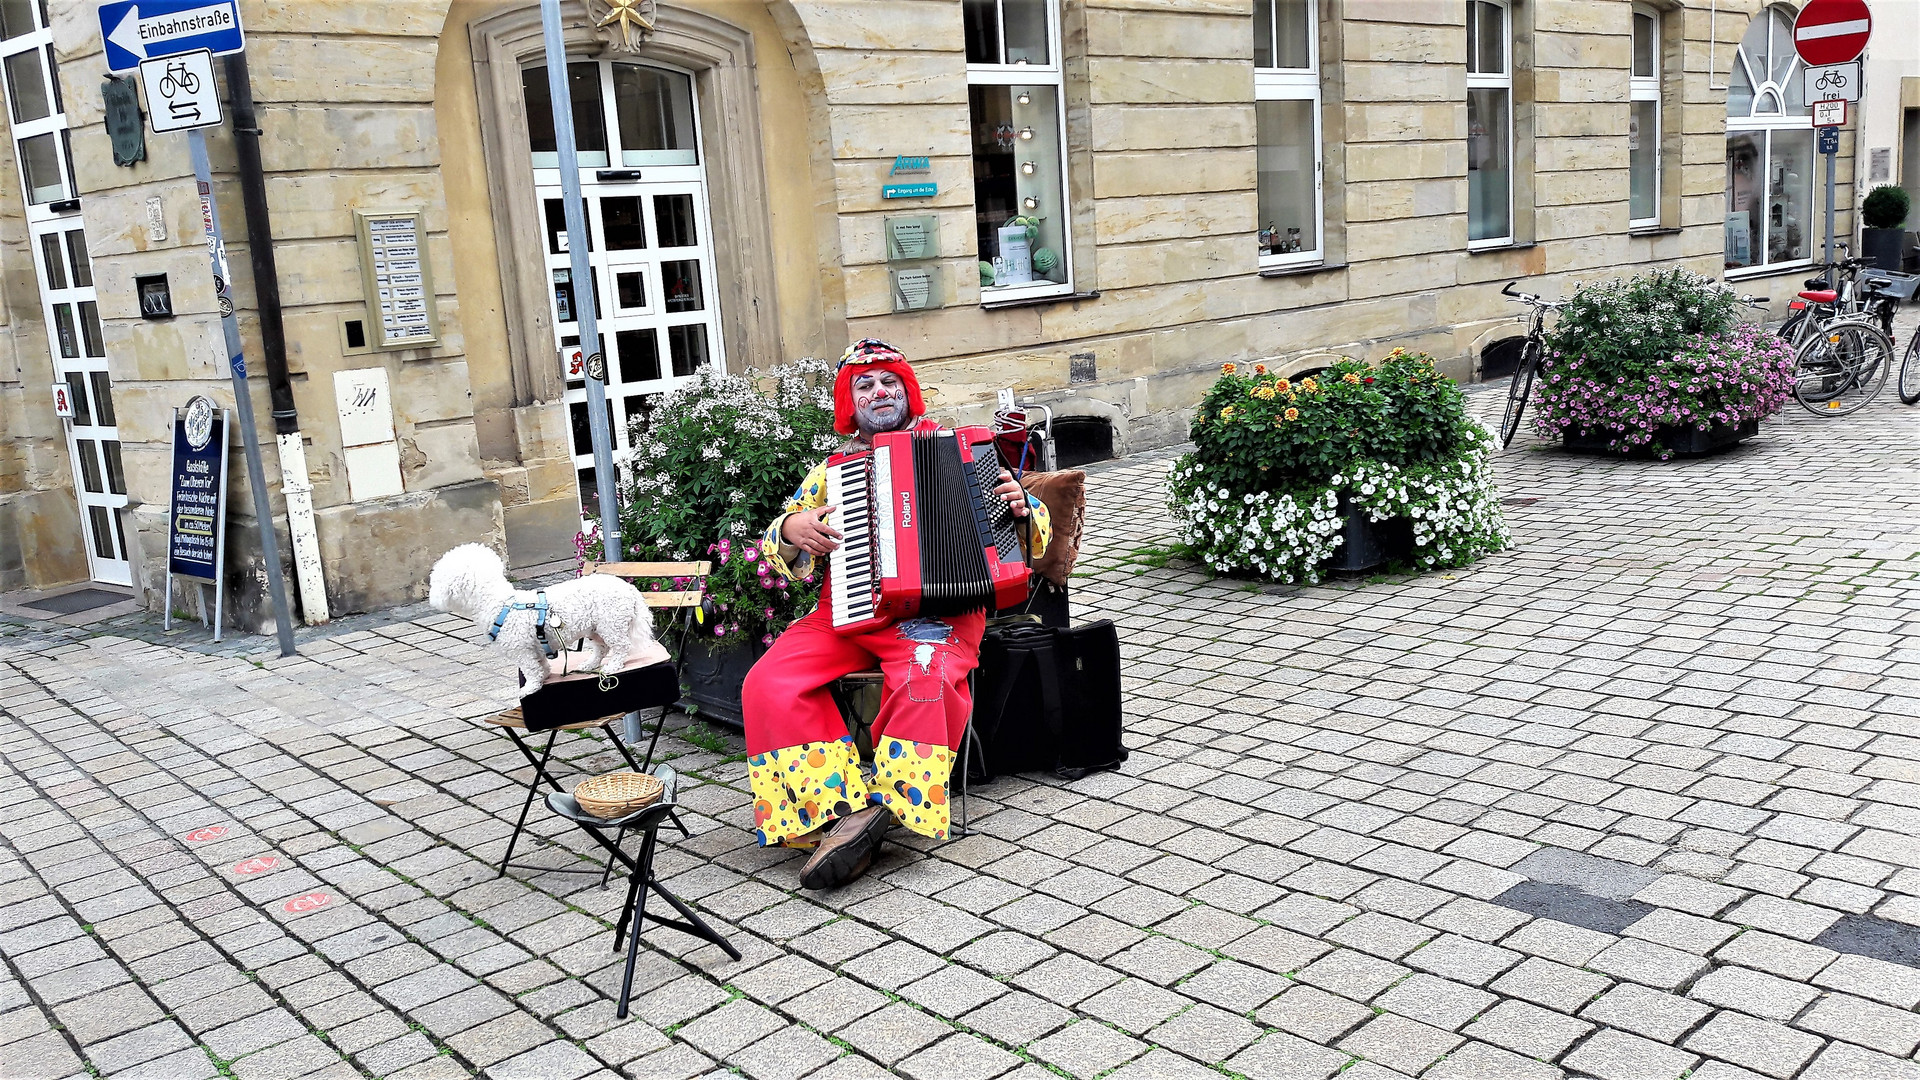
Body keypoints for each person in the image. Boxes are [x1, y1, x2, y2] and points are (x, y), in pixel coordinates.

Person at [740, 338, 1051, 890]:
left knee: (924, 679)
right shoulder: (829, 473)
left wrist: (1023, 510)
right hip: (847, 608)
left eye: (889, 382)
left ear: (907, 392)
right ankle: (829, 814)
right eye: (865, 386)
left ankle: (885, 808)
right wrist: (790, 531)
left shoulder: (963, 452)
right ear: (849, 403)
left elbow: (1034, 535)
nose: (879, 392)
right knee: (768, 681)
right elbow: (778, 541)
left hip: (938, 614)